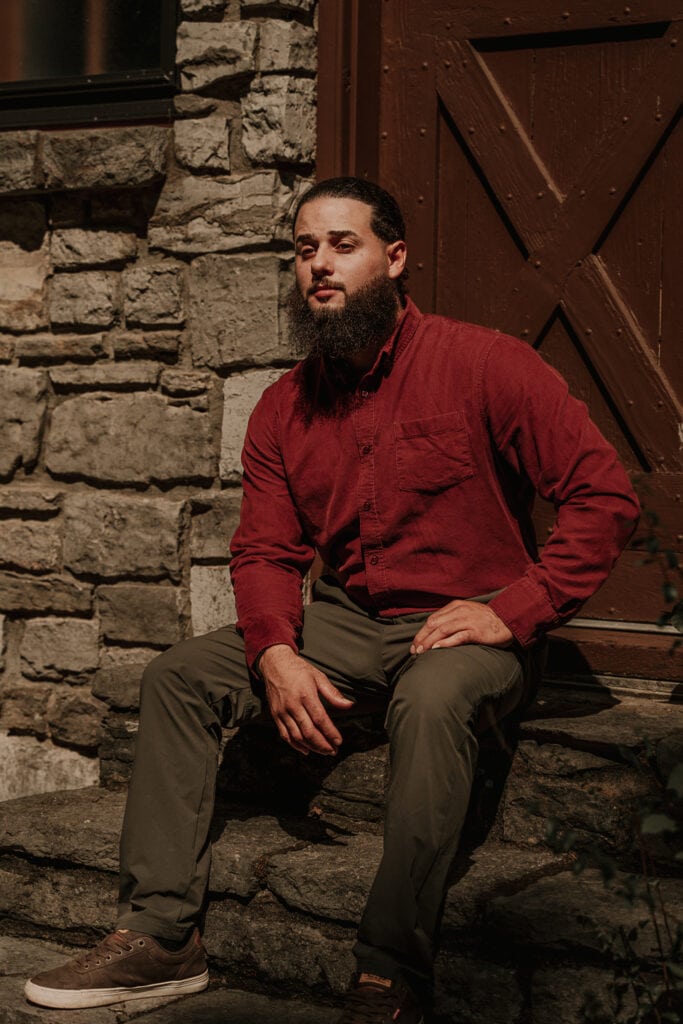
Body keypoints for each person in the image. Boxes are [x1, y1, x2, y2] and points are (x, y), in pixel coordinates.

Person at [25, 178, 639, 1022]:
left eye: (341, 245)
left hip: (470, 626)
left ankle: (391, 974)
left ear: (393, 257)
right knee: (177, 675)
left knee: (428, 704)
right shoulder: (282, 407)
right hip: (347, 624)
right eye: (304, 248)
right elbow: (266, 550)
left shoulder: (487, 364)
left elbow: (603, 498)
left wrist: (514, 608)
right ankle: (160, 936)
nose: (318, 265)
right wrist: (274, 652)